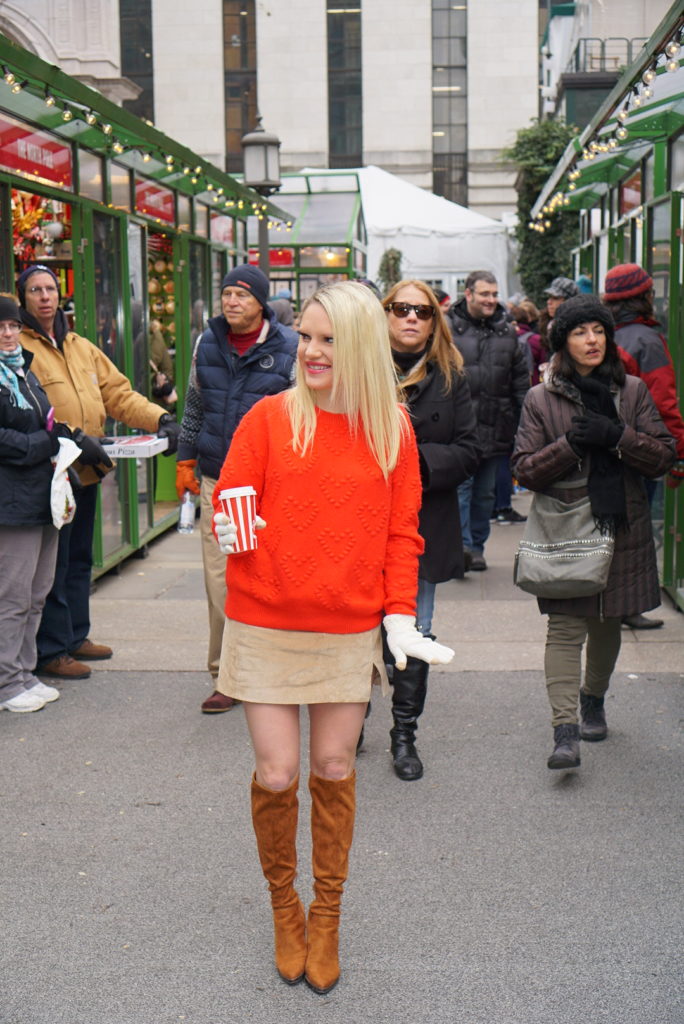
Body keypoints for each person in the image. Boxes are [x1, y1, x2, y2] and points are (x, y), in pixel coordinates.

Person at [211, 281, 454, 993]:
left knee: (336, 770)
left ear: (360, 348)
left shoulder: (392, 430)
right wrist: (229, 518)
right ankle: (286, 907)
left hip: (346, 628)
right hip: (264, 621)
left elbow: (402, 532)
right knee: (279, 774)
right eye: (306, 338)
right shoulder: (267, 418)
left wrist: (399, 614)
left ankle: (329, 915)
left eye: (329, 340)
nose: (312, 352)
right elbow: (235, 495)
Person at [511, 296, 675, 771]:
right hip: (565, 529)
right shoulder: (541, 399)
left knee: (607, 623)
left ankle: (593, 699)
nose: (592, 340)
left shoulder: (634, 392)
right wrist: (571, 443)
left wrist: (616, 436)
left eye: (599, 331)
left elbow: (663, 456)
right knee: (564, 628)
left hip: (621, 525)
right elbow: (525, 469)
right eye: (580, 332)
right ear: (563, 341)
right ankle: (564, 732)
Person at [17, 264, 181, 681]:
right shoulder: (17, 346)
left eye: (50, 288)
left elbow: (119, 395)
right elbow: (28, 410)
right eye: (35, 290)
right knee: (51, 566)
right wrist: (70, 435)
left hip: (85, 471)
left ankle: (75, 636)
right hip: (50, 473)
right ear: (23, 298)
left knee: (78, 559)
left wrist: (160, 418)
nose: (44, 296)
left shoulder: (80, 345)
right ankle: (51, 649)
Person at [175, 264, 298, 713]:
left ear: (261, 303)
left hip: (271, 484)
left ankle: (275, 665)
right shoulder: (206, 342)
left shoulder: (289, 348)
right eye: (226, 293)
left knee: (271, 575)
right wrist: (186, 456)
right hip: (217, 479)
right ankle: (225, 674)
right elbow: (194, 402)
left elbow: (301, 413)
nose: (231, 302)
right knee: (220, 580)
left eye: (241, 295)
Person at [383, 280, 479, 779]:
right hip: (361, 520)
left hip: (423, 524)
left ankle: (404, 736)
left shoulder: (451, 377)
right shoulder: (359, 372)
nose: (411, 318)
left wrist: (415, 462)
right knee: (358, 628)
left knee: (414, 631)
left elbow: (469, 450)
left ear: (434, 320)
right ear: (385, 314)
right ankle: (350, 721)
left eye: (422, 311)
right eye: (401, 308)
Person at [602, 263, 684, 630]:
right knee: (634, 532)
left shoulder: (606, 335)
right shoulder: (647, 341)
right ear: (644, 297)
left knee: (614, 526)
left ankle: (611, 604)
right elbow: (664, 402)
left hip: (607, 443)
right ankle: (626, 607)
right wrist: (678, 453)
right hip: (641, 447)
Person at [0, 295, 68, 712]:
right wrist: (43, 443)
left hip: (43, 495)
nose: (8, 334)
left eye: (12, 326)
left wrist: (60, 439)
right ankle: (7, 683)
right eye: (1, 328)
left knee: (37, 592)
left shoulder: (24, 371)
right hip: (11, 503)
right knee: (12, 595)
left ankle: (25, 673)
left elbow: (45, 420)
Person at [446, 270, 529, 570]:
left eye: (494, 294)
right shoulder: (447, 330)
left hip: (497, 425)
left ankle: (476, 546)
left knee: (485, 494)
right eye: (485, 294)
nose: (491, 300)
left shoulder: (508, 333)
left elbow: (520, 383)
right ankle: (463, 547)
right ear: (468, 294)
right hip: (458, 429)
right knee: (461, 491)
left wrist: (524, 426)